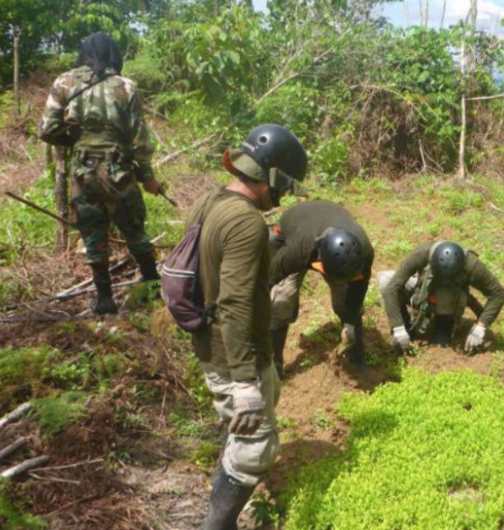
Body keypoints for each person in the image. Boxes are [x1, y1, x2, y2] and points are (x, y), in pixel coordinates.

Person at [185, 124, 306, 530]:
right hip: (235, 354)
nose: (284, 194)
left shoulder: (210, 201)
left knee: (240, 432)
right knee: (256, 449)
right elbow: (234, 303)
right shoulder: (245, 223)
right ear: (271, 175)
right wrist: (244, 382)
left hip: (211, 341)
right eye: (285, 184)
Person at [38, 32, 165, 314]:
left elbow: (47, 130)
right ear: (112, 53)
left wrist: (78, 140)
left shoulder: (64, 82)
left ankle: (105, 299)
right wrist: (147, 176)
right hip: (119, 171)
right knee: (134, 229)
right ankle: (154, 289)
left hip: (83, 172)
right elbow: (139, 139)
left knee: (92, 234)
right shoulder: (126, 86)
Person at [268, 200, 374, 373]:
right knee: (281, 299)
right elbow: (269, 280)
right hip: (298, 228)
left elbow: (359, 288)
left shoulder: (363, 252)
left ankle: (355, 355)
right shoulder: (297, 249)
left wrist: (349, 323)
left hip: (329, 221)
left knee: (345, 302)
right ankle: (273, 362)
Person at [380, 241, 504, 354]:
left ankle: (443, 325)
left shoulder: (471, 264)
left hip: (451, 300)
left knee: (444, 292)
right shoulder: (422, 254)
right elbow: (392, 289)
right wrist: (399, 328)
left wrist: (480, 327)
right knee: (386, 281)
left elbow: (498, 294)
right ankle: (407, 325)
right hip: (424, 291)